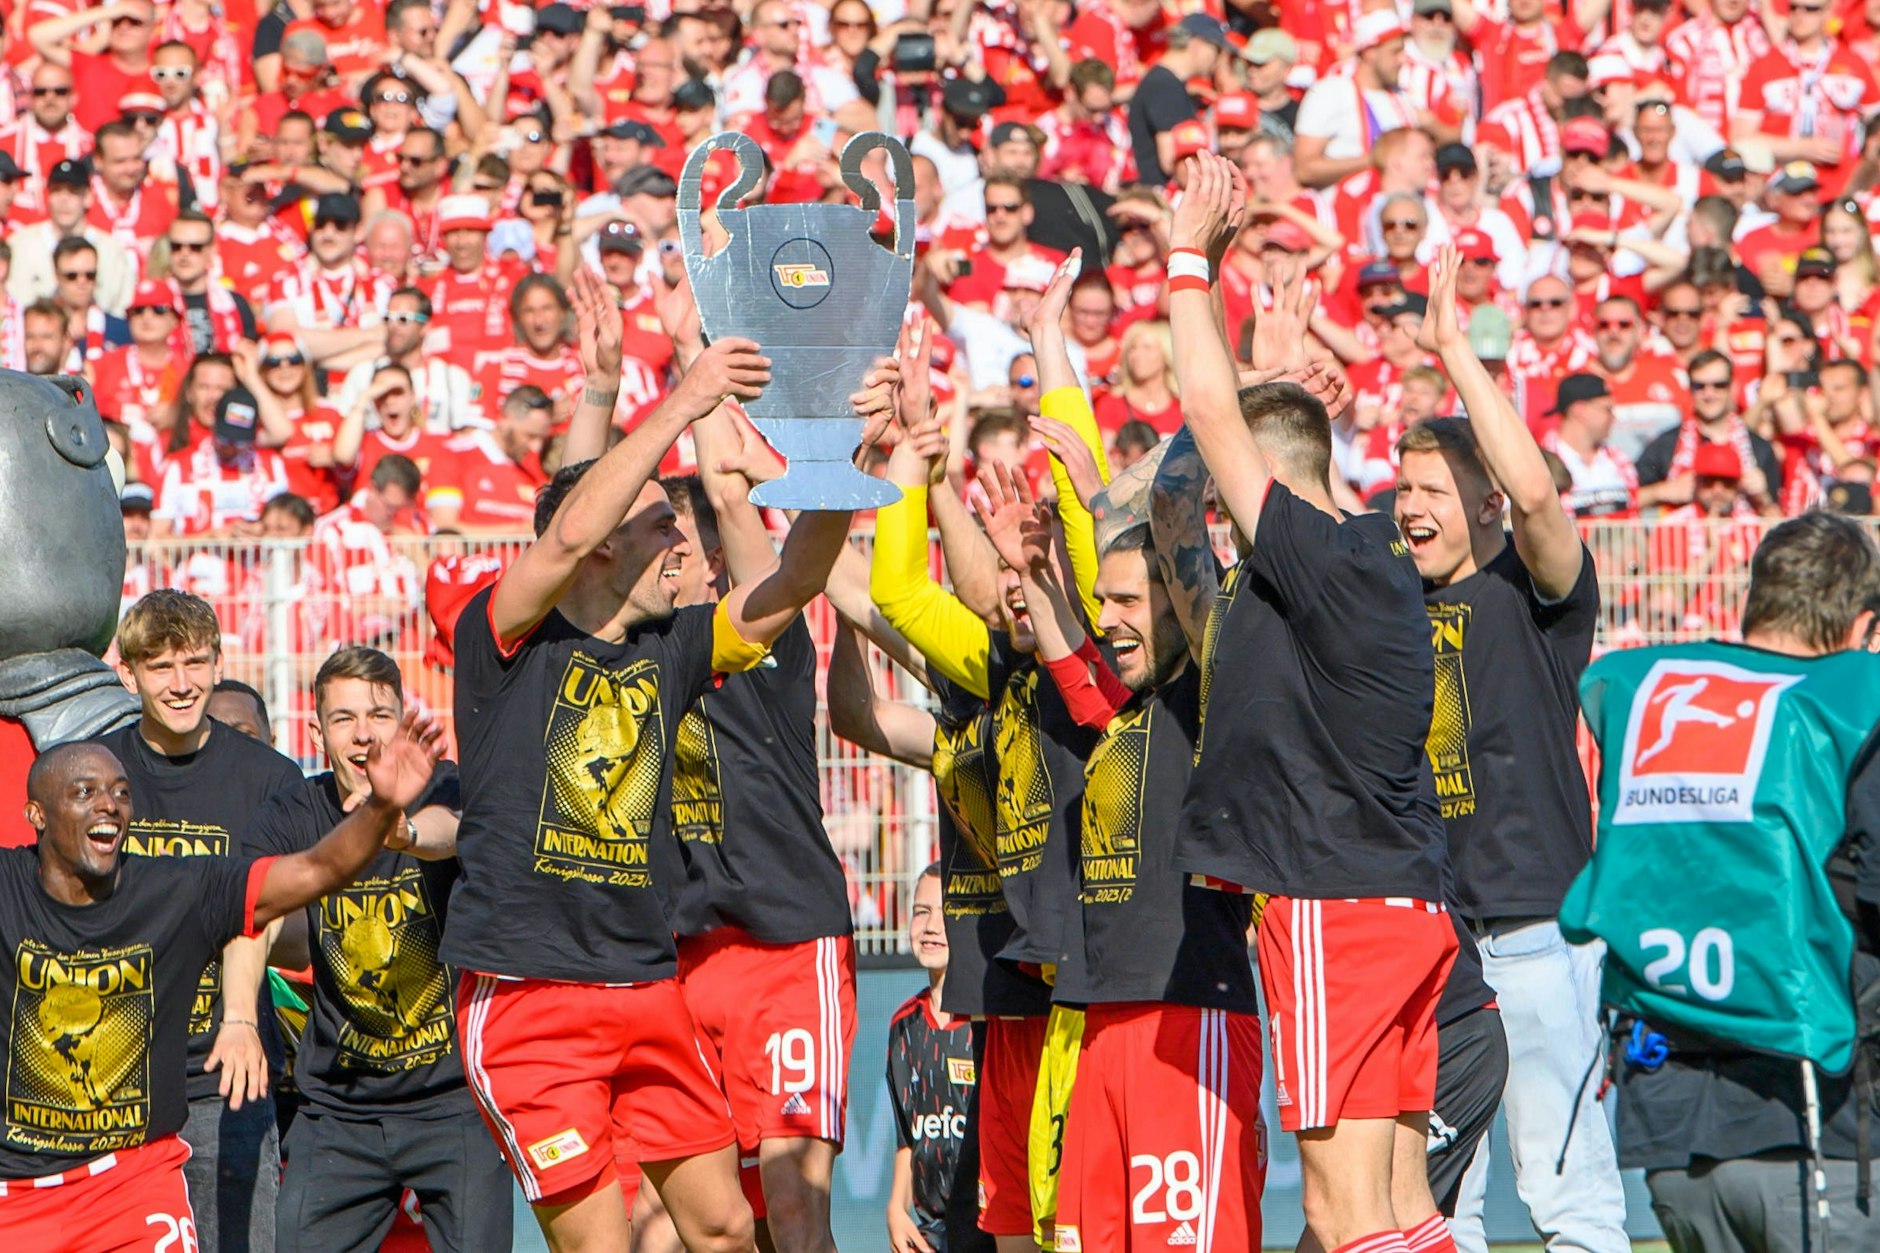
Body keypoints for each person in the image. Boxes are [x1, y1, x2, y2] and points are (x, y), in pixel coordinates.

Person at [441, 285, 864, 1250]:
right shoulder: (504, 637)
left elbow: (792, 582)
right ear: (602, 555)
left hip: (643, 980)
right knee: (601, 1243)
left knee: (719, 1227)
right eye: (655, 527)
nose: (680, 540)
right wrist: (679, 397)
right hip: (526, 990)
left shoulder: (672, 647)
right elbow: (564, 530)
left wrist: (843, 470)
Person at [1168, 150, 1459, 1253]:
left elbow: (1206, 414)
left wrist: (1191, 254)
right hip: (1405, 905)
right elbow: (1266, 441)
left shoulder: (1318, 558)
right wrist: (1282, 379)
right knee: (1405, 1209)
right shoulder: (1369, 558)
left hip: (1333, 904)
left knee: (1341, 1217)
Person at [975, 437, 1267, 1252]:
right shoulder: (1125, 709)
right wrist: (1033, 573)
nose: (1108, 622)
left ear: (1180, 602)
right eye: (1101, 602)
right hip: (1101, 1018)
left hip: (1188, 1017)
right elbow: (1074, 662)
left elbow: (1174, 510)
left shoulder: (1206, 697)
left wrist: (1223, 401)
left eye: (1129, 603)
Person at [1561, 511, 1880, 1252]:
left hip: (1671, 1125)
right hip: (1819, 1122)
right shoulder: (1846, 710)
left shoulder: (1655, 692)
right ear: (1862, 625)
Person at [0, 715, 438, 1252]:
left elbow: (316, 869)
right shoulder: (7, 890)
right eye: (84, 792)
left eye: (120, 792)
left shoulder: (178, 892)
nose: (108, 805)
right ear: (36, 815)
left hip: (133, 1188)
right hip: (16, 1200)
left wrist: (381, 808)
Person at [1394, 248, 1628, 1251]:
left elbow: (1537, 501)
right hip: (1430, 948)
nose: (1409, 506)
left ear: (1482, 504)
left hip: (1536, 937)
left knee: (1568, 1199)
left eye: (1435, 489)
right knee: (1440, 1213)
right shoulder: (1387, 604)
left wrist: (1454, 348)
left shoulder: (1532, 593)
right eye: (1401, 487)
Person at [250, 647, 512, 1252]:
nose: (364, 734)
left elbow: (453, 831)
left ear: (402, 720)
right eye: (344, 718)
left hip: (453, 1098)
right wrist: (241, 1014)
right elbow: (254, 910)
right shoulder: (292, 812)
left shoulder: (444, 787)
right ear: (316, 731)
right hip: (340, 1109)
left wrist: (405, 831)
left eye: (380, 715)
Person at [89, 590, 311, 1253]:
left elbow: (293, 924)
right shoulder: (94, 769)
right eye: (161, 667)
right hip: (113, 1082)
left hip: (229, 1080)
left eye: (195, 662)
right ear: (128, 674)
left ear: (218, 662)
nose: (182, 683)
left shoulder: (270, 775)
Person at [885, 864, 990, 1253]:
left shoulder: (986, 1023)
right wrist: (896, 1207)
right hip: (929, 1231)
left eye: (945, 913)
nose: (930, 926)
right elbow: (907, 1138)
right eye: (921, 911)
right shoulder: (903, 1024)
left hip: (986, 1225)